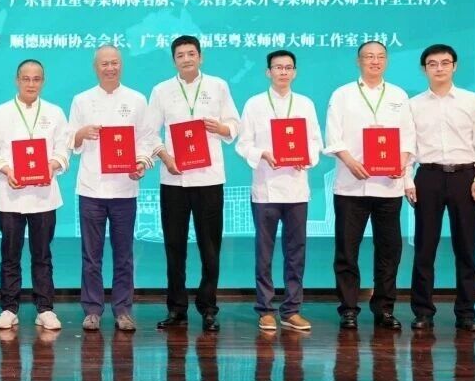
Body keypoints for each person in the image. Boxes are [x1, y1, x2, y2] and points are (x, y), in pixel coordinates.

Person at [146, 35, 240, 332]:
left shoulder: (218, 86)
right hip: (174, 178)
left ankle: (208, 308)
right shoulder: (161, 90)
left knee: (210, 247)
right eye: (180, 55)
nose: (186, 59)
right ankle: (176, 309)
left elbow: (234, 125)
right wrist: (165, 157)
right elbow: (149, 132)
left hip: (209, 179)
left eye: (191, 54)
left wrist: (221, 127)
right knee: (174, 246)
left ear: (201, 57)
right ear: (174, 60)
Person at [322, 40, 416, 330]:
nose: (375, 61)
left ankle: (384, 308)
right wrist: (350, 162)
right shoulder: (342, 94)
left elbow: (408, 138)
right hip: (351, 185)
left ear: (386, 60)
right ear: (358, 61)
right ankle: (348, 308)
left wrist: (401, 163)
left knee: (389, 250)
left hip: (389, 186)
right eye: (368, 57)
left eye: (380, 56)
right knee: (347, 251)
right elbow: (333, 137)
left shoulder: (399, 95)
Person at [405, 44, 475, 333]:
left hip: (464, 177)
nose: (439, 68)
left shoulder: (472, 101)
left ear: (455, 66)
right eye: (433, 63)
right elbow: (408, 147)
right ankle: (423, 312)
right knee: (424, 248)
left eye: (445, 62)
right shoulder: (413, 104)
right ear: (424, 69)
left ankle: (466, 313)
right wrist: (407, 179)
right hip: (428, 177)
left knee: (466, 249)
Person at [0, 59, 70, 332]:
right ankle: (9, 308)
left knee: (42, 255)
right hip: (11, 194)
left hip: (44, 196)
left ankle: (45, 309)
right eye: (26, 78)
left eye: (36, 79)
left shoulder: (55, 112)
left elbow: (64, 148)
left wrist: (51, 165)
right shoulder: (0, 113)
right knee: (10, 255)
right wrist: (7, 169)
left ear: (43, 81)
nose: (31, 84)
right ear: (17, 80)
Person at [67, 45, 153, 332]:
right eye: (104, 63)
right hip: (91, 189)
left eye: (114, 62)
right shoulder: (81, 100)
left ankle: (123, 310)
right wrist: (81, 134)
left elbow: (146, 140)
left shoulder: (137, 100)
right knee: (91, 255)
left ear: (121, 65)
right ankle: (92, 310)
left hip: (124, 189)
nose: (110, 68)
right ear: (96, 67)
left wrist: (141, 162)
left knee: (124, 254)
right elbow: (70, 141)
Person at [235, 49, 322, 332]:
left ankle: (292, 310)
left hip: (296, 189)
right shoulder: (255, 104)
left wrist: (306, 158)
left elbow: (315, 142)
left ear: (294, 72)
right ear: (268, 72)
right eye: (278, 67)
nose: (283, 72)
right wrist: (262, 153)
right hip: (266, 189)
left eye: (288, 67)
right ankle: (265, 310)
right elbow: (243, 144)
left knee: (296, 252)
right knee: (265, 252)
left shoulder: (305, 104)